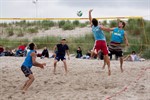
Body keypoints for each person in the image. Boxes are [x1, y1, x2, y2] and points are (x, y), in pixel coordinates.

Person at [89, 9, 111, 76]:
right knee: (106, 56)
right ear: (97, 22)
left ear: (93, 23)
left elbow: (90, 19)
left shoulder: (92, 27)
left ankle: (95, 52)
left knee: (92, 53)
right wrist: (111, 29)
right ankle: (109, 68)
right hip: (103, 42)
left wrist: (89, 12)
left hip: (98, 42)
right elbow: (107, 29)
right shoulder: (99, 27)